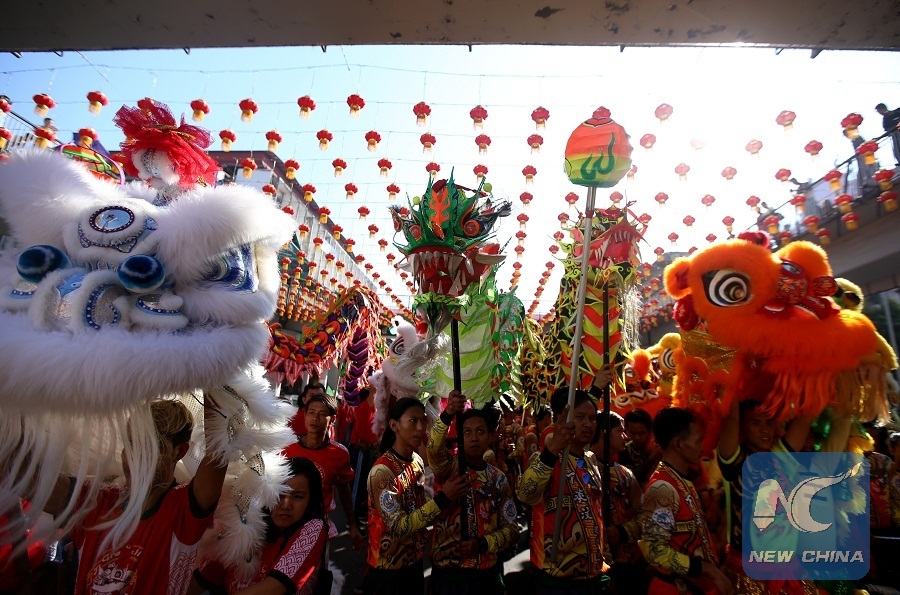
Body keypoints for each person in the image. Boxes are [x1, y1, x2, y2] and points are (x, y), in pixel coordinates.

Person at [41, 397, 228, 595]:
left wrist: (211, 380)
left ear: (179, 451)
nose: (134, 458)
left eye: (149, 447)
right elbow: (31, 483)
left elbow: (218, 450)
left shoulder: (182, 510)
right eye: (130, 445)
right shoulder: (99, 501)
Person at [364, 397, 468, 595]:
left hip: (414, 565)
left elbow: (418, 509)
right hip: (388, 570)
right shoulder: (382, 472)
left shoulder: (417, 461)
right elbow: (398, 527)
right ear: (394, 425)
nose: (420, 428)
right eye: (413, 421)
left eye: (423, 421)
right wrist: (443, 498)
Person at [717, 397, 816, 594]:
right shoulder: (735, 462)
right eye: (755, 423)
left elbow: (806, 418)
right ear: (742, 428)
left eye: (769, 422)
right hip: (747, 573)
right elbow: (730, 419)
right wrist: (730, 384)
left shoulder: (782, 458)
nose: (765, 430)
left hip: (788, 571)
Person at [517, 386, 610, 594]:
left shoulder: (591, 460)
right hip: (557, 578)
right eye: (580, 417)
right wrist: (551, 451)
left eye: (592, 418)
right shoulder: (545, 458)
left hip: (593, 574)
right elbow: (525, 494)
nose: (588, 424)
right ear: (560, 419)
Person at [189, 457, 328, 594]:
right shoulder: (244, 521)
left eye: (298, 497)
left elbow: (274, 587)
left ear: (310, 500)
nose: (286, 505)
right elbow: (205, 577)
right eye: (280, 493)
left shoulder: (313, 529)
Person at [426, 391, 519, 595]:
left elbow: (512, 530)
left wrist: (483, 544)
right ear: (459, 436)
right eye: (467, 432)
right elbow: (433, 448)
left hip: (485, 575)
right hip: (448, 576)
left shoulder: (498, 479)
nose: (474, 438)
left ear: (490, 436)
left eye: (480, 431)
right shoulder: (449, 469)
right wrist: (448, 414)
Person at [638, 407, 733, 595]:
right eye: (697, 441)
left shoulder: (681, 480)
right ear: (679, 444)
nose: (702, 448)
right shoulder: (662, 488)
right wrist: (707, 569)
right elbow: (654, 550)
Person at [282, 391, 364, 551]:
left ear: (332, 419)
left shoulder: (339, 453)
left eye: (321, 414)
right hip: (286, 525)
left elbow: (344, 489)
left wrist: (352, 525)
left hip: (318, 526)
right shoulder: (287, 449)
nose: (315, 418)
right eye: (311, 413)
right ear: (304, 415)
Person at [590, 410, 647, 594]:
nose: (626, 437)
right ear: (604, 433)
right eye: (621, 431)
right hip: (594, 566)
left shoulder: (625, 475)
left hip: (628, 565)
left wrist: (622, 532)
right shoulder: (581, 471)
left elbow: (644, 516)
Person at [349, 387, 378, 532]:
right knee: (357, 486)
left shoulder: (372, 409)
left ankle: (359, 516)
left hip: (368, 452)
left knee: (364, 486)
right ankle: (352, 520)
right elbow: (360, 434)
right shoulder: (364, 407)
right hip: (361, 451)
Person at [617, 408, 662, 486]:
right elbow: (630, 479)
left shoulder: (659, 446)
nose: (637, 437)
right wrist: (651, 459)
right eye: (632, 433)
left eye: (641, 433)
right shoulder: (624, 450)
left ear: (649, 431)